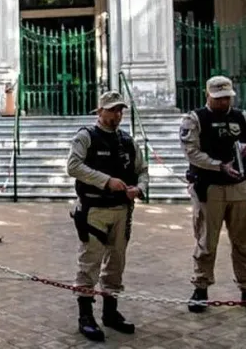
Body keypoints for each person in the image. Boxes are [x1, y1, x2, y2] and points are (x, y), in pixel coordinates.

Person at [180, 76, 246, 316]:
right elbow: (192, 153)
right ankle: (200, 289)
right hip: (209, 189)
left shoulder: (245, 118)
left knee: (243, 243)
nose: (223, 102)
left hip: (240, 189)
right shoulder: (194, 119)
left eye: (227, 98)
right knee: (206, 243)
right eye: (218, 98)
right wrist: (218, 165)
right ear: (207, 95)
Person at [66, 90, 148, 341]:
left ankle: (111, 312)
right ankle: (85, 316)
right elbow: (73, 166)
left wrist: (140, 188)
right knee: (89, 263)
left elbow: (142, 170)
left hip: (122, 211)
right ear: (99, 111)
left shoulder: (127, 140)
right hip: (94, 210)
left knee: (116, 264)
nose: (118, 114)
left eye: (120, 109)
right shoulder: (86, 137)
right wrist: (106, 181)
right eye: (112, 109)